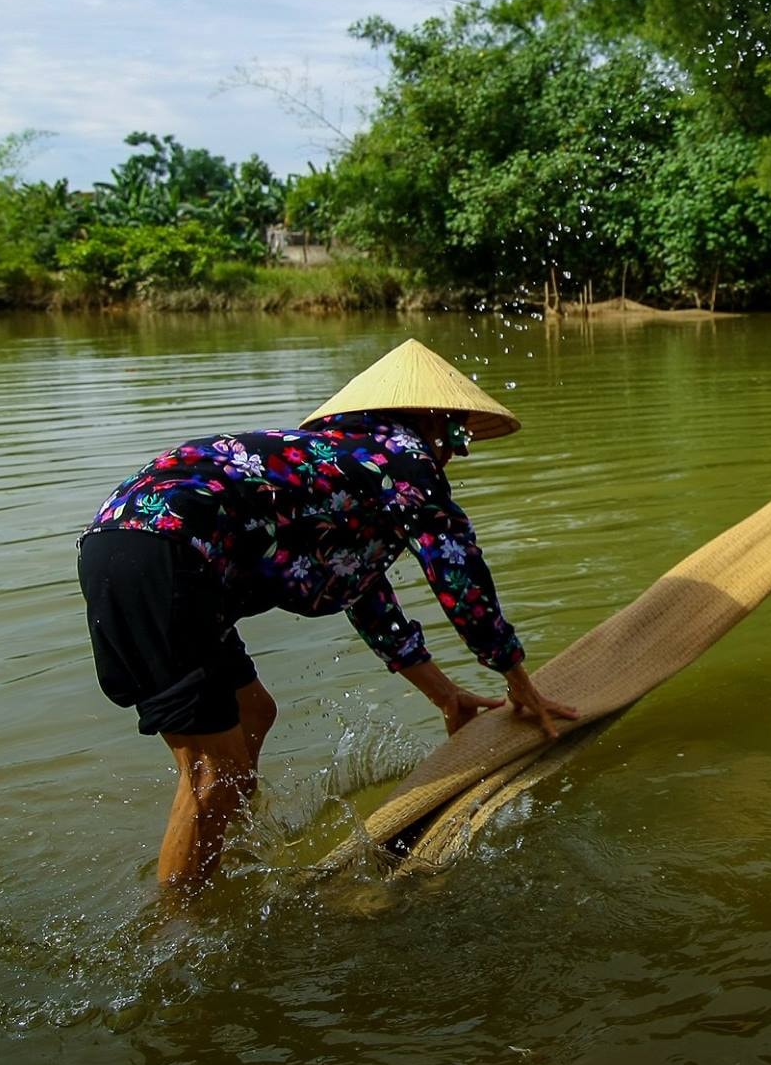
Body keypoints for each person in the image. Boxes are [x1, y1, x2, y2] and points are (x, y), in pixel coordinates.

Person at [76, 339, 578, 893]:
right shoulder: (404, 456)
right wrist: (516, 678)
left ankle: (226, 864)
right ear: (428, 420)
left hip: (137, 548)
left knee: (254, 714)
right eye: (457, 436)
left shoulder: (342, 463)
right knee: (210, 773)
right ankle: (176, 937)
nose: (457, 453)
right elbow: (457, 569)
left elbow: (363, 593)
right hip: (166, 555)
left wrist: (445, 696)